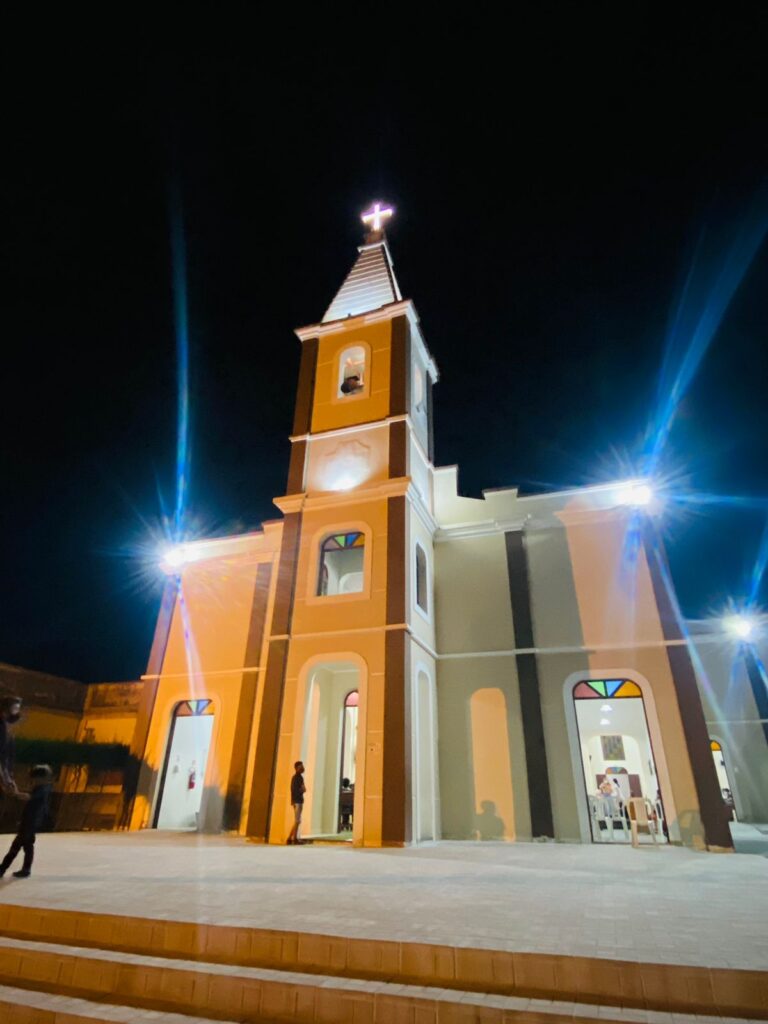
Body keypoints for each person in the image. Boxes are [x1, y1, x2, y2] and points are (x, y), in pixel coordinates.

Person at [0, 764, 53, 879]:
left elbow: (29, 797)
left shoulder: (43, 789)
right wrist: (16, 792)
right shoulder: (43, 788)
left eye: (35, 778)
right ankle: (25, 869)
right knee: (28, 846)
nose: (34, 780)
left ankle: (2, 869)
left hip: (31, 822)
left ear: (41, 777)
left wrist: (16, 793)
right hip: (32, 821)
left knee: (16, 846)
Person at [0, 697, 23, 797]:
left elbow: (7, 756)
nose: (17, 712)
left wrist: (9, 779)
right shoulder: (2, 726)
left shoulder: (7, 727)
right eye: (15, 708)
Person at [287, 760, 306, 845]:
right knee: (297, 821)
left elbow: (303, 788)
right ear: (296, 768)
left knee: (297, 821)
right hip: (297, 801)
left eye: (302, 766)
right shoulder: (296, 778)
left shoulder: (300, 778)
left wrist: (302, 789)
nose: (302, 768)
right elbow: (296, 790)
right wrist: (302, 790)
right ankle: (294, 839)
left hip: (299, 801)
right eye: (300, 767)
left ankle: (290, 838)